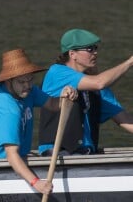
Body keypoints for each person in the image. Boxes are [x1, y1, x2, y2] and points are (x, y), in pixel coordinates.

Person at [0, 49, 78, 194]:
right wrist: (36, 183)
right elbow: (11, 155)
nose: (27, 85)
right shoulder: (8, 110)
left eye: (30, 80)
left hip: (15, 158)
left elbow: (53, 105)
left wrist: (65, 95)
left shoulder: (28, 91)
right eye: (22, 82)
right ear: (8, 82)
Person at [38, 28, 133, 156]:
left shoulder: (97, 87)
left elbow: (125, 119)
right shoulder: (57, 73)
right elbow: (100, 82)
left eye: (95, 48)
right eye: (90, 49)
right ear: (72, 54)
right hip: (58, 153)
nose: (95, 53)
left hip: (86, 154)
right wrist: (130, 62)